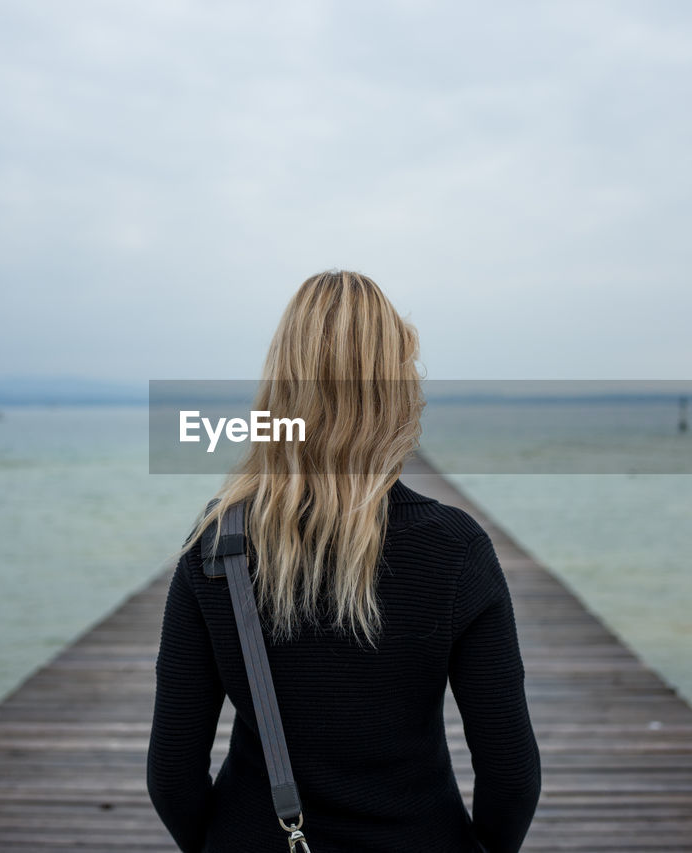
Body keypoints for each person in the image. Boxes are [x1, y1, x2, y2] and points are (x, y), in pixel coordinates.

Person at [147, 270, 541, 852]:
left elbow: (172, 773)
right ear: (396, 390)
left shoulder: (219, 542)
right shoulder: (456, 549)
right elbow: (510, 773)